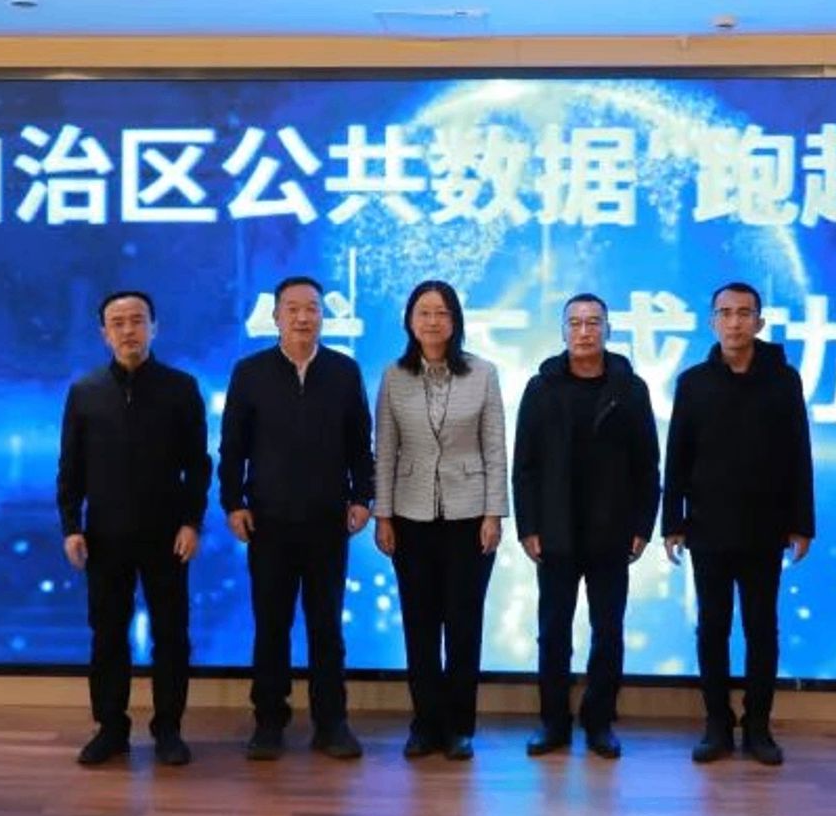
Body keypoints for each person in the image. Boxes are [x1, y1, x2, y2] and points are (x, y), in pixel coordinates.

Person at [219, 275, 374, 760]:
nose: (303, 317)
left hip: (328, 521)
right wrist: (233, 502)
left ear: (323, 316)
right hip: (268, 520)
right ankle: (269, 722)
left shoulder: (344, 372)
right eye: (293, 309)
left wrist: (363, 497)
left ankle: (332, 723)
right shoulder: (250, 373)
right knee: (271, 626)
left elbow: (360, 444)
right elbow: (232, 447)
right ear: (276, 317)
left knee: (326, 627)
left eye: (312, 308)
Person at [662, 281, 815, 767]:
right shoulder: (693, 382)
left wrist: (802, 523)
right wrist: (672, 521)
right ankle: (716, 724)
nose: (734, 322)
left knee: (761, 629)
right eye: (725, 313)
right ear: (712, 322)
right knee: (712, 629)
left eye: (744, 313)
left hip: (765, 527)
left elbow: (799, 454)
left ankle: (758, 726)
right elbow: (677, 456)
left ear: (759, 322)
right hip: (707, 527)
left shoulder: (783, 380)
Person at [57, 290, 210, 768]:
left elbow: (198, 465)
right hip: (104, 536)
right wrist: (71, 526)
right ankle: (111, 728)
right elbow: (71, 467)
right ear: (104, 333)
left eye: (138, 320)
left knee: (171, 634)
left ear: (154, 327)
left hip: (167, 535)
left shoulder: (181, 388)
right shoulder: (85, 391)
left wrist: (191, 522)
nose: (129, 330)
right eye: (118, 323)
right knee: (107, 635)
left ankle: (169, 729)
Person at [511, 293, 660, 759]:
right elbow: (524, 466)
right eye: (575, 323)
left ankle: (599, 723)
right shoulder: (541, 388)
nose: (584, 331)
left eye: (593, 322)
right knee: (553, 632)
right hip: (555, 531)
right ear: (563, 331)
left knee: (607, 631)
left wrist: (643, 525)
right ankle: (553, 722)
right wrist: (528, 526)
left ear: (608, 330)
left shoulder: (630, 389)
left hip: (612, 531)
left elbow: (647, 465)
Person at [373, 280, 507, 761]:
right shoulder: (393, 376)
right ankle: (425, 725)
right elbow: (385, 448)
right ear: (410, 321)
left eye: (442, 312)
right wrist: (382, 515)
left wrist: (494, 513)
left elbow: (495, 447)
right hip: (409, 516)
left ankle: (459, 727)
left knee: (464, 625)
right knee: (420, 625)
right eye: (424, 313)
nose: (433, 321)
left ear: (455, 321)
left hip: (470, 517)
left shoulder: (483, 373)